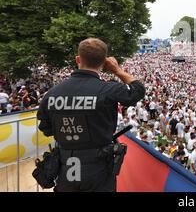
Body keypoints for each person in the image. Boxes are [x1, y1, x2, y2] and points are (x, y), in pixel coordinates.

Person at [37, 38, 145, 192]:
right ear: (104, 62)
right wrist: (117, 70)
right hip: (99, 170)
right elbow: (138, 90)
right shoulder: (108, 90)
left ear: (78, 59)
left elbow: (46, 128)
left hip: (66, 167)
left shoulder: (52, 94)